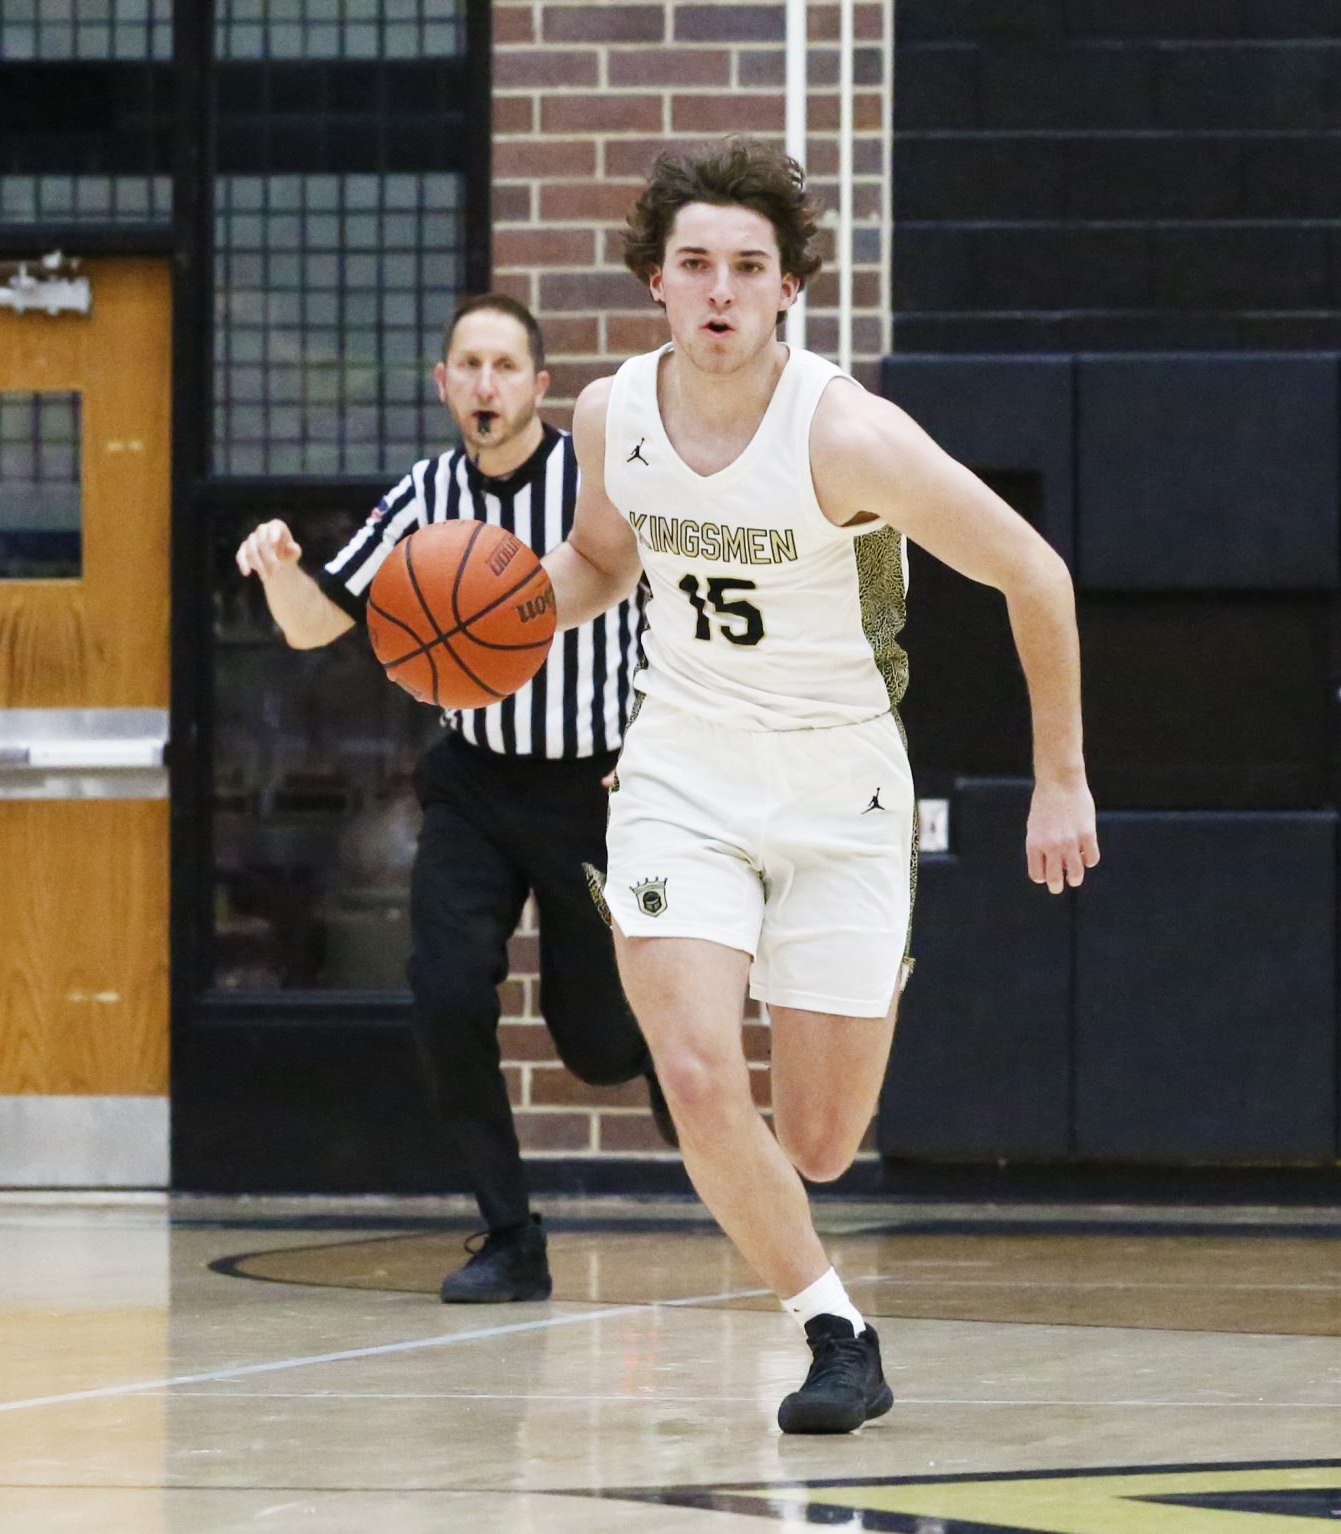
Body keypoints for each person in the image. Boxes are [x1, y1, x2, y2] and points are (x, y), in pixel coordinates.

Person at [536, 139, 1101, 1434]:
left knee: (823, 1139)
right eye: (695, 264)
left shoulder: (844, 432)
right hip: (680, 766)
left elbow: (1036, 574)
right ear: (655, 280)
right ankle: (835, 1330)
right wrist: (503, 622)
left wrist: (1060, 776)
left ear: (789, 286)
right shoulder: (612, 415)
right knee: (692, 1071)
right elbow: (602, 561)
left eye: (748, 267)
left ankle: (863, 964)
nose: (720, 290)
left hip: (840, 783)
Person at [233, 293, 673, 1304]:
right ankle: (510, 1235)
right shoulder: (423, 494)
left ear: (539, 385)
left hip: (594, 785)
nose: (485, 384)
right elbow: (313, 624)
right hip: (475, 781)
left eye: (504, 366)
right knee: (442, 992)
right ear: (443, 385)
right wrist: (283, 569)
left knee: (596, 1043)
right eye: (468, 366)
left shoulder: (596, 485)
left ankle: (655, 1053)